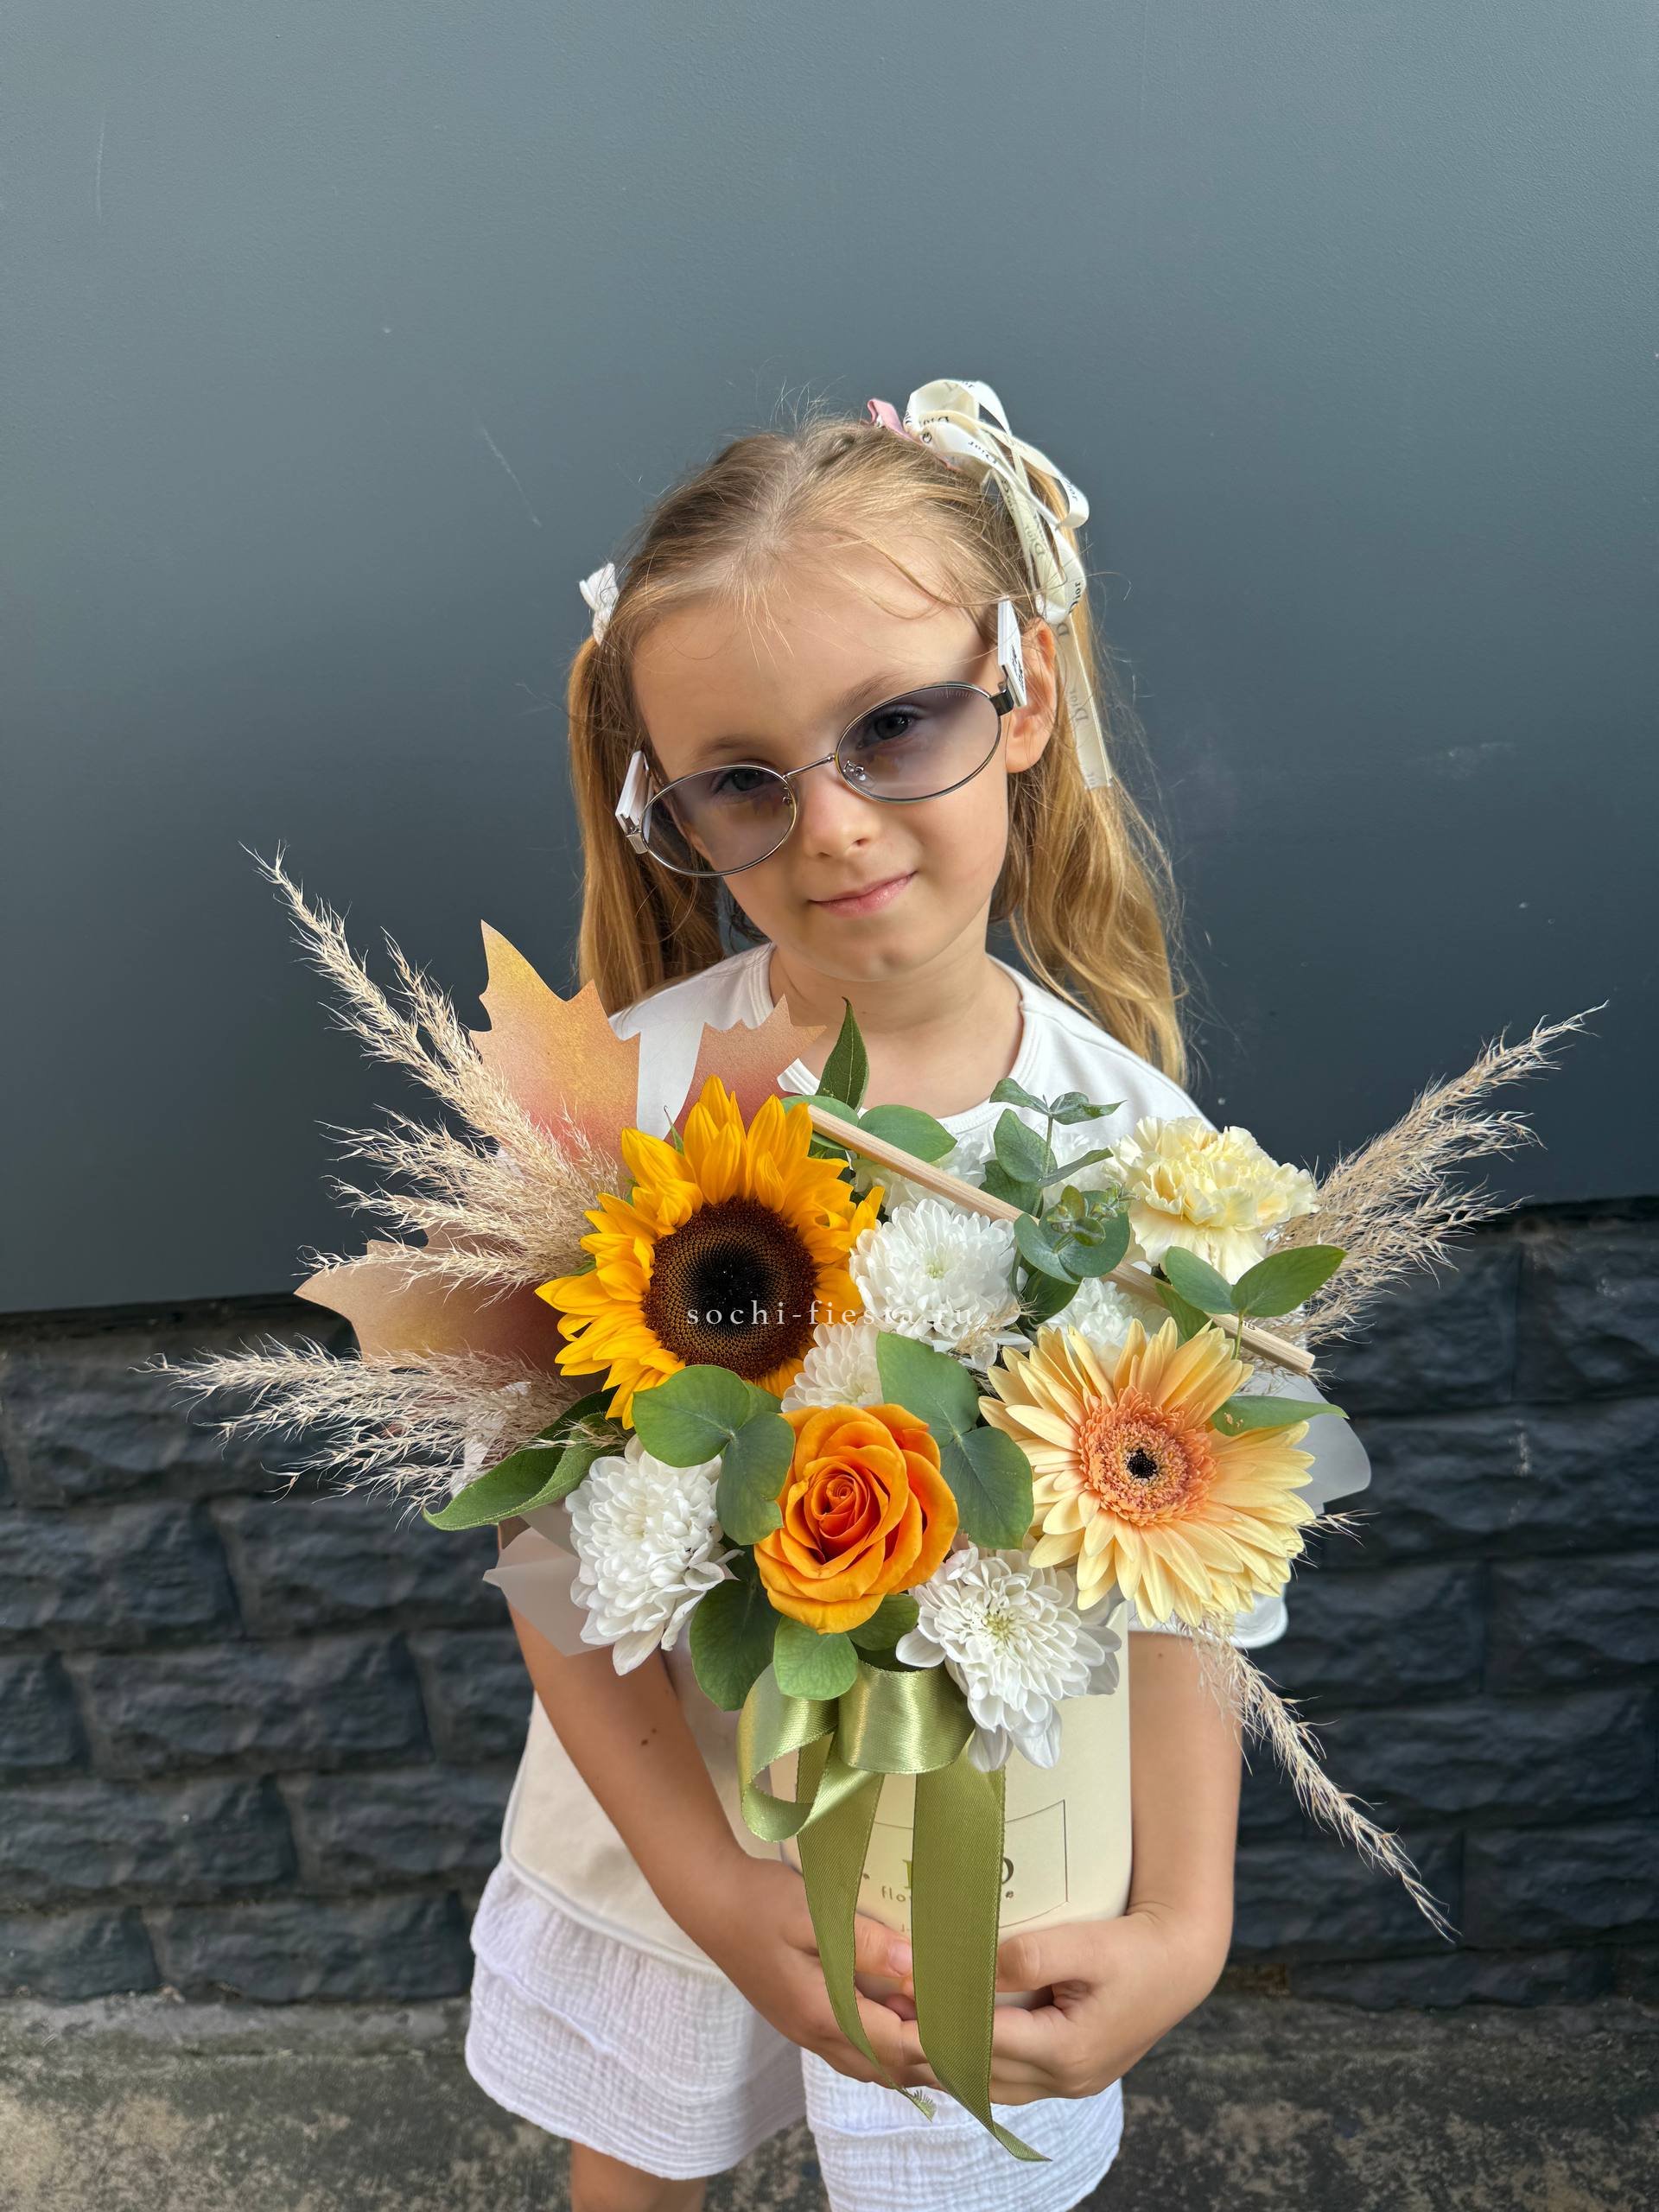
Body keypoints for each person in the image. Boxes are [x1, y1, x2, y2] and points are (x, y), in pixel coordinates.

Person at [464, 381, 1281, 2212]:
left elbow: (1198, 1571)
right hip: (680, 1834)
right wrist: (711, 1887)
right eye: (744, 779)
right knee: (644, 2150)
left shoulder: (1147, 1159)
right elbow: (544, 1555)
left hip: (987, 1853)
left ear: (1023, 694)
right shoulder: (622, 1113)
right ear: (672, 804)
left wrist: (1186, 1918)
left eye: (895, 725)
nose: (830, 824)